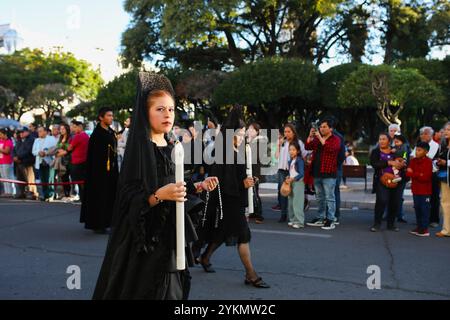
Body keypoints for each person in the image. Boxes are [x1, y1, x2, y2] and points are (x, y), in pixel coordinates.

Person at [93, 72, 219, 300]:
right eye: (160, 109)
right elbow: (129, 196)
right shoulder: (140, 149)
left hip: (172, 231)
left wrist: (197, 186)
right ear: (146, 112)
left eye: (170, 109)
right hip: (148, 239)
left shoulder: (172, 144)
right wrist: (158, 196)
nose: (167, 114)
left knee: (175, 287)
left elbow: (173, 181)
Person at [196, 105, 270, 289]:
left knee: (222, 232)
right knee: (243, 235)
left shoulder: (239, 150)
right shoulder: (224, 153)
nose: (244, 136)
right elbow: (223, 182)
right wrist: (242, 184)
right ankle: (251, 274)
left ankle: (205, 257)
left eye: (244, 133)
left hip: (237, 198)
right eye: (241, 133)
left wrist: (249, 180)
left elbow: (239, 175)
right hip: (229, 200)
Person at [80, 108, 119, 233]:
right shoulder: (97, 135)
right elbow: (93, 157)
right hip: (98, 173)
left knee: (109, 197)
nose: (111, 118)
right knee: (99, 198)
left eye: (112, 115)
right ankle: (98, 224)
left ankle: (108, 222)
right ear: (101, 117)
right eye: (108, 115)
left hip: (110, 172)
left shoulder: (110, 132)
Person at [305, 119, 341, 230]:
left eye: (324, 127)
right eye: (320, 127)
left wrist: (319, 138)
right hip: (317, 172)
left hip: (329, 173)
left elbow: (331, 149)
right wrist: (310, 136)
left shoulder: (336, 139)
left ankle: (330, 219)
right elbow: (308, 147)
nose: (321, 129)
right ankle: (320, 217)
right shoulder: (317, 138)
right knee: (319, 197)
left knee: (330, 197)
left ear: (331, 128)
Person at [370, 133, 406, 232]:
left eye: (384, 139)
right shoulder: (375, 151)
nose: (381, 141)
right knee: (382, 200)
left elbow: (404, 157)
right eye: (380, 139)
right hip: (382, 180)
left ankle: (391, 224)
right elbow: (374, 164)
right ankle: (377, 224)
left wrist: (401, 163)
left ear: (389, 141)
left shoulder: (395, 151)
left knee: (395, 202)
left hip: (396, 180)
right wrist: (388, 163)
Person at [276, 123, 308, 222]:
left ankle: (294, 216)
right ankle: (283, 214)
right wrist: (278, 145)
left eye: (289, 131)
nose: (287, 133)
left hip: (293, 171)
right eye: (285, 131)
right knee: (283, 192)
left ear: (293, 132)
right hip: (282, 170)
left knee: (293, 194)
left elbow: (303, 156)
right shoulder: (283, 142)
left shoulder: (298, 142)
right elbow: (276, 156)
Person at [411, 126, 440, 228]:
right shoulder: (419, 145)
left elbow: (428, 157)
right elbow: (412, 156)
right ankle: (422, 220)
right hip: (418, 175)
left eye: (426, 133)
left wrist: (417, 157)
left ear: (431, 135)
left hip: (432, 175)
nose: (423, 135)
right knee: (421, 198)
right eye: (422, 133)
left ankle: (434, 220)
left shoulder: (435, 145)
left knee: (434, 197)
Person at [59, 120, 89, 203]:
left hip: (77, 162)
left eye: (73, 126)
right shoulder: (85, 135)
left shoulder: (77, 136)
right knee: (80, 182)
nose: (72, 128)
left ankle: (81, 197)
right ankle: (81, 197)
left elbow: (69, 148)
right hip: (81, 161)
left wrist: (62, 147)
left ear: (79, 127)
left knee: (79, 182)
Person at [406, 141, 432, 237]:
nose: (417, 152)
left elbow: (425, 177)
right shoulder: (413, 161)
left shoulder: (428, 162)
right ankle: (419, 226)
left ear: (426, 152)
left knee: (424, 209)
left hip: (425, 190)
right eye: (416, 150)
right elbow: (407, 173)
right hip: (415, 189)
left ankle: (424, 229)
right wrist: (418, 174)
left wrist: (414, 173)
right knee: (417, 208)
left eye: (419, 150)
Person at [247, 122, 268, 224]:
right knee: (251, 192)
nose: (250, 131)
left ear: (257, 131)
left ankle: (259, 215)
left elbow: (256, 158)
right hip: (250, 170)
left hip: (256, 171)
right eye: (249, 129)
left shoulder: (259, 142)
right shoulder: (250, 141)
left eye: (252, 129)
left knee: (255, 193)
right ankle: (253, 212)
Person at [32, 126, 57, 201]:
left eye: (41, 131)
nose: (39, 133)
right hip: (40, 162)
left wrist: (46, 153)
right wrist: (38, 153)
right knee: (43, 179)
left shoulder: (51, 139)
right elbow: (33, 151)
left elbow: (55, 149)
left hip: (49, 161)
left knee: (50, 179)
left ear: (45, 132)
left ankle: (51, 195)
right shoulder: (36, 140)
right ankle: (45, 195)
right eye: (38, 131)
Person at [13, 128, 38, 200]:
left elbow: (28, 150)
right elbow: (14, 150)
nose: (21, 134)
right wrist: (14, 156)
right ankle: (22, 192)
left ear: (27, 132)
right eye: (20, 132)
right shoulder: (19, 140)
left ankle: (32, 193)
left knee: (29, 178)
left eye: (22, 132)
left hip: (27, 162)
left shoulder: (31, 139)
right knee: (20, 178)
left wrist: (18, 157)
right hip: (18, 162)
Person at [435, 122, 450, 238]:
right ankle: (446, 230)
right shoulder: (443, 145)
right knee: (445, 203)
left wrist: (447, 162)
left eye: (449, 130)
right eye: (445, 130)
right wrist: (439, 162)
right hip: (445, 178)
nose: (446, 132)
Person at [286, 141, 305, 228]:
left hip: (298, 183)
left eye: (293, 150)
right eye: (290, 150)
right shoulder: (290, 161)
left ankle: (299, 222)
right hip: (291, 182)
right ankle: (293, 219)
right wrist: (288, 177)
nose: (291, 151)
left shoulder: (299, 160)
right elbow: (291, 172)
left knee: (297, 202)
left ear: (297, 151)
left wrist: (293, 178)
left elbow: (301, 173)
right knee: (291, 202)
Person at [51, 123, 72, 200]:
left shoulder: (70, 137)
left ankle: (70, 194)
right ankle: (65, 194)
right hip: (61, 161)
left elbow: (70, 147)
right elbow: (57, 147)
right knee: (63, 177)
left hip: (68, 160)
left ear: (67, 129)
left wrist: (62, 149)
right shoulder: (60, 138)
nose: (61, 130)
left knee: (70, 178)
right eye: (61, 129)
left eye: (63, 129)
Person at [0, 129, 14, 197]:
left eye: (1, 134)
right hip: (1, 161)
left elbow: (7, 151)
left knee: (7, 176)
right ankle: (6, 191)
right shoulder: (0, 141)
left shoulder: (8, 141)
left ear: (5, 134)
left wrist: (0, 149)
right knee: (3, 177)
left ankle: (9, 192)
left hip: (7, 161)